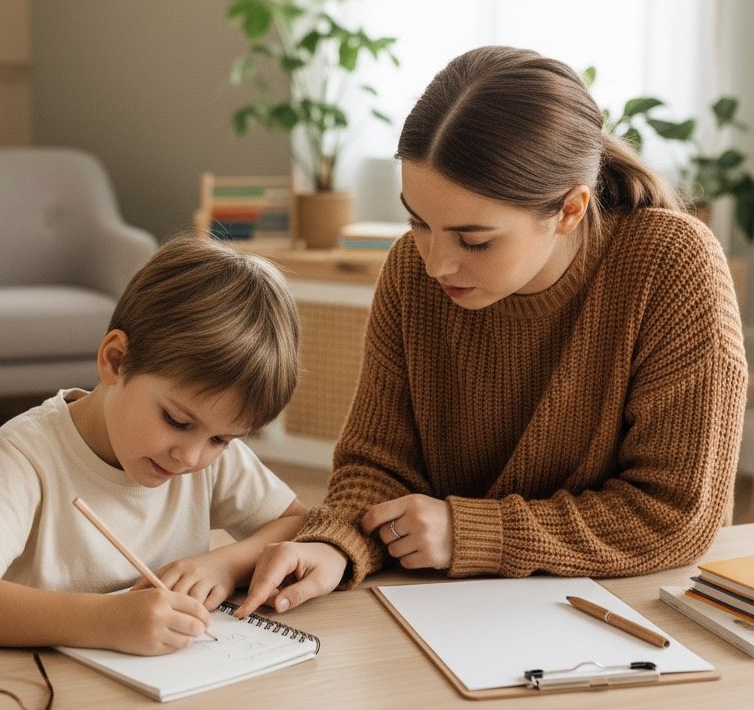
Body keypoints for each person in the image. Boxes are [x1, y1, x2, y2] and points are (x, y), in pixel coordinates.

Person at [237, 45, 747, 619]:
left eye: (474, 241)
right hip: (444, 606)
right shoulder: (411, 269)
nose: (435, 263)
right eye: (417, 221)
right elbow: (378, 465)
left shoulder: (672, 264)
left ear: (570, 210)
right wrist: (333, 543)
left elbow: (674, 515)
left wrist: (475, 531)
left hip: (624, 608)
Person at [0, 235, 304, 655]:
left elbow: (301, 523)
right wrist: (105, 621)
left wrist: (227, 564)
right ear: (116, 360)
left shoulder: (208, 457)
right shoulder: (24, 455)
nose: (191, 457)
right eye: (176, 421)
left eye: (221, 439)